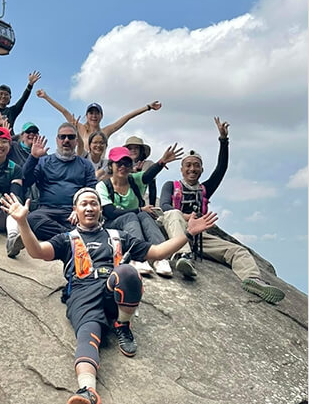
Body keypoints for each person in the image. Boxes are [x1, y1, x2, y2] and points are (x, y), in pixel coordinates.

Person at [0, 187, 218, 404]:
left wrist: (188, 235)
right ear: (75, 210)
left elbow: (156, 252)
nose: (89, 208)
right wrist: (22, 222)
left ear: (100, 208)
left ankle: (123, 323)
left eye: (93, 203)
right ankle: (88, 393)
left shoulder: (118, 236)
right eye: (83, 204)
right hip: (82, 294)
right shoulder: (67, 239)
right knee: (87, 337)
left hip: (112, 288)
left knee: (127, 272)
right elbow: (37, 252)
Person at [159, 117, 285, 303]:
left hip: (198, 236)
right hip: (174, 232)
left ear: (201, 170)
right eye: (188, 165)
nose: (192, 169)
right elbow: (165, 206)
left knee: (238, 251)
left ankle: (253, 279)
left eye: (196, 165)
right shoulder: (171, 185)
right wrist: (187, 217)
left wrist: (223, 140)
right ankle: (183, 256)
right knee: (173, 213)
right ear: (182, 169)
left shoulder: (204, 189)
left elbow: (221, 168)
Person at [97, 146, 182, 277]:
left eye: (126, 163)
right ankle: (137, 256)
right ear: (110, 165)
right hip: (112, 226)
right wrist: (138, 209)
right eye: (118, 163)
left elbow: (148, 176)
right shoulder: (103, 186)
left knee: (144, 215)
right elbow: (110, 212)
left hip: (132, 223)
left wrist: (162, 162)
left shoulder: (133, 180)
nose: (123, 167)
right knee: (132, 215)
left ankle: (161, 257)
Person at [20, 123, 97, 245]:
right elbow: (26, 181)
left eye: (71, 137)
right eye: (62, 137)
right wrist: (33, 157)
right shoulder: (44, 161)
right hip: (47, 210)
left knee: (89, 224)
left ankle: (68, 237)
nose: (66, 140)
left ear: (76, 141)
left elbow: (91, 190)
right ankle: (71, 236)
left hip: (72, 213)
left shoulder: (85, 165)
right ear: (57, 140)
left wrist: (78, 209)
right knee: (31, 219)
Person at [35, 88, 162, 151]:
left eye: (97, 113)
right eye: (91, 113)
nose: (94, 116)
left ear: (101, 116)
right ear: (87, 115)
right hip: (82, 166)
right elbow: (64, 111)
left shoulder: (105, 132)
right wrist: (46, 97)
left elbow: (127, 117)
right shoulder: (79, 127)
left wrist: (148, 107)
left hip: (99, 169)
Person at [124, 136, 157, 205]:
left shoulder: (148, 164)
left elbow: (152, 187)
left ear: (141, 150)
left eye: (136, 148)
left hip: (141, 199)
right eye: (130, 148)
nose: (133, 150)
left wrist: (152, 206)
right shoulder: (121, 165)